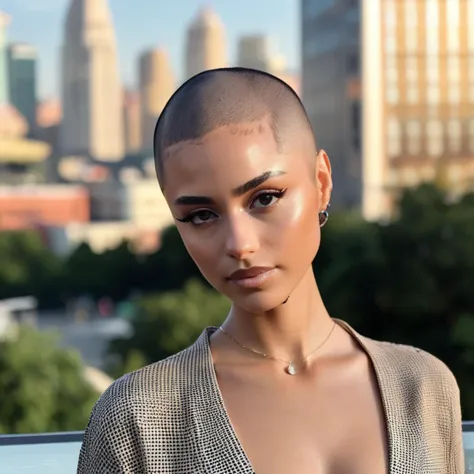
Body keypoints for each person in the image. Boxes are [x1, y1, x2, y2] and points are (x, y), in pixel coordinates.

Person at [77, 68, 464, 474]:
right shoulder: (138, 420)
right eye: (201, 215)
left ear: (322, 182)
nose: (239, 244)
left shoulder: (424, 387)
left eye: (265, 198)